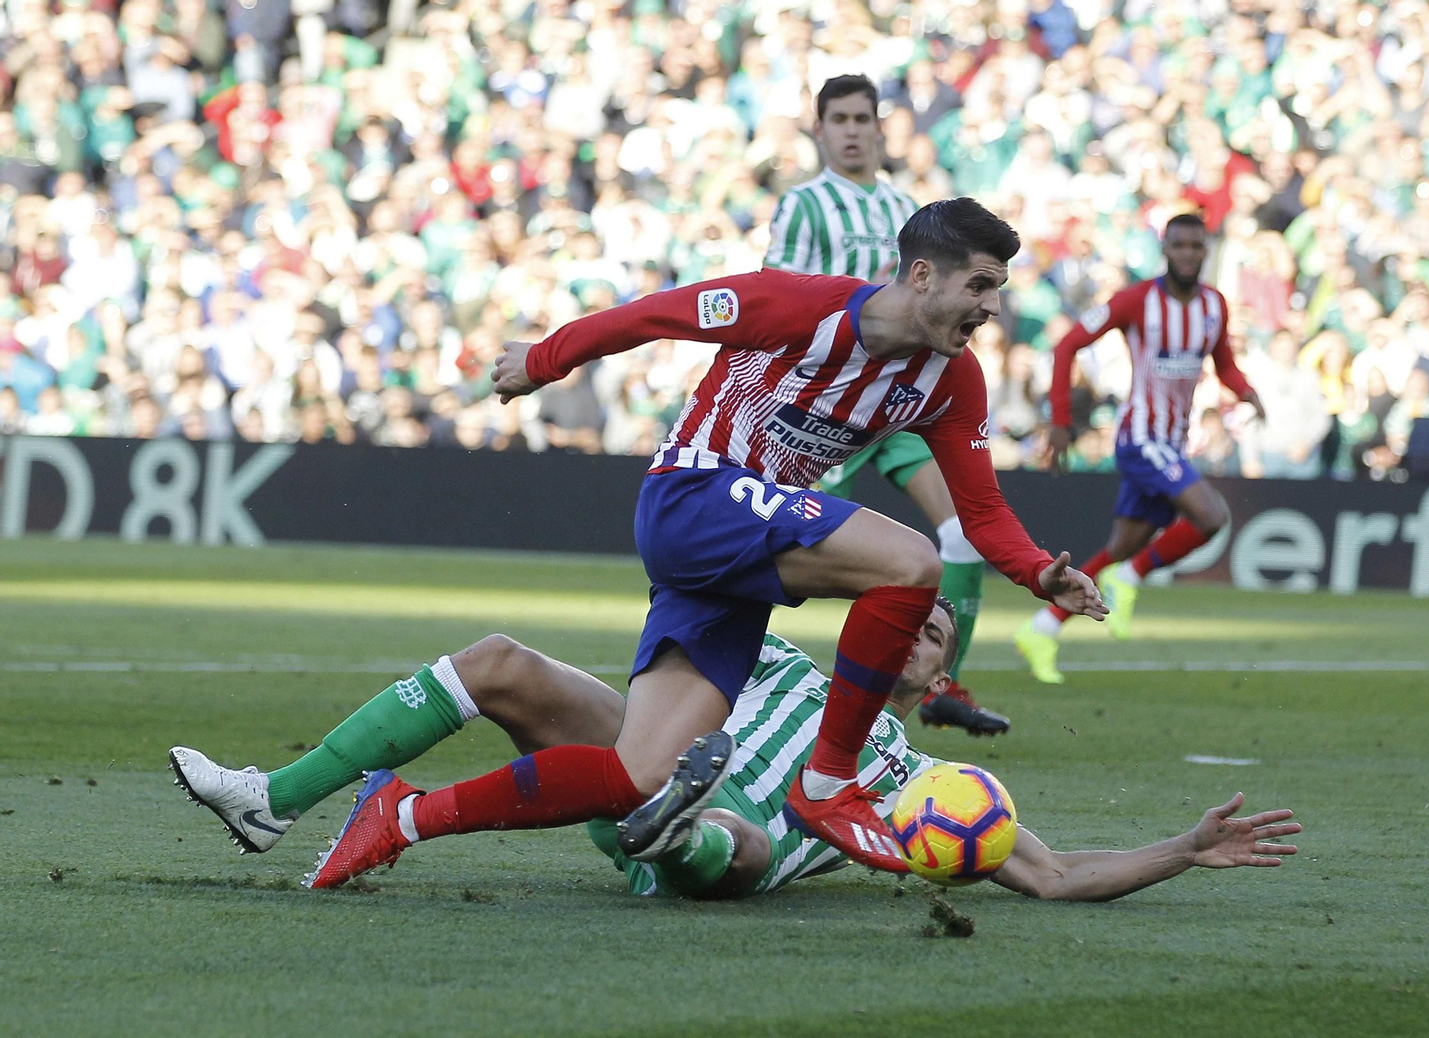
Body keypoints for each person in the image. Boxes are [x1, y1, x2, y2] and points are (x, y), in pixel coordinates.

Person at [485, 198, 1104, 873]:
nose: (991, 307)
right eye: (980, 285)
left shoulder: (954, 381)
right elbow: (653, 313)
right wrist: (543, 360)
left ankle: (403, 815)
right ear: (923, 275)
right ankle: (827, 781)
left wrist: (1038, 572)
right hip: (697, 489)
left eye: (998, 289)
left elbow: (981, 509)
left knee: (640, 773)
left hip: (748, 533)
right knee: (910, 563)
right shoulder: (795, 305)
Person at [168, 602, 1299, 898]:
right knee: (504, 660)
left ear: (930, 675)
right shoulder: (774, 659)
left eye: (932, 630)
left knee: (744, 843)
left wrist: (1180, 850)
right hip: (628, 759)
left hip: (714, 853)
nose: (912, 624)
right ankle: (276, 796)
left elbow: (1052, 876)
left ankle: (674, 827)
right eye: (902, 612)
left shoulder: (918, 783)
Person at [765, 74, 1004, 738]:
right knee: (760, 549)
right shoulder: (804, 206)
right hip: (823, 407)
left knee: (961, 532)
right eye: (836, 118)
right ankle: (710, 662)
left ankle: (937, 686)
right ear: (820, 130)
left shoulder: (906, 209)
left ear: (878, 126)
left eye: (860, 118)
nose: (849, 129)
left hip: (897, 405)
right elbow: (780, 295)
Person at [1015, 214, 1265, 682]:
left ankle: (1042, 628)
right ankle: (1130, 578)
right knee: (1211, 518)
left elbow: (1225, 365)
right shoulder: (1137, 301)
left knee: (1120, 547)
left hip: (1172, 442)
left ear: (1205, 251)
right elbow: (1068, 344)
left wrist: (1246, 390)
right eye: (1179, 245)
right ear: (1165, 249)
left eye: (1196, 246)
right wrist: (1062, 421)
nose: (1188, 253)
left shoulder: (1214, 306)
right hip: (1141, 439)